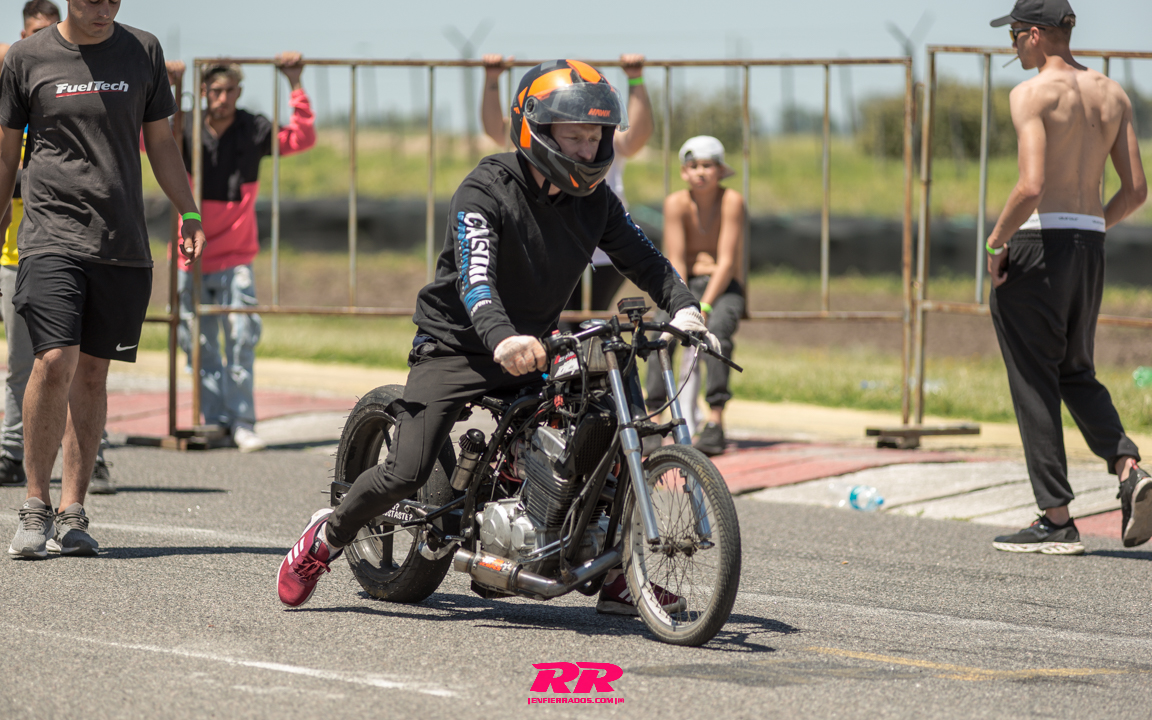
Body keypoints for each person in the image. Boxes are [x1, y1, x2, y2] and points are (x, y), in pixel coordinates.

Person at [278, 59, 715, 613]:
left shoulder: (597, 201)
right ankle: (327, 536)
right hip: (458, 345)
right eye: (574, 137)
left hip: (534, 347)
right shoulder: (484, 189)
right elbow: (476, 279)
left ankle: (613, 573)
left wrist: (685, 307)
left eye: (596, 137)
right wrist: (502, 338)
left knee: (607, 414)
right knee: (406, 470)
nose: (587, 150)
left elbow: (646, 261)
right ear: (535, 130)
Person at [0, 0, 206, 558]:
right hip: (50, 235)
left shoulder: (143, 50)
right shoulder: (26, 57)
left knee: (92, 374)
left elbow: (160, 142)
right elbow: (5, 153)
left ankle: (72, 512)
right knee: (53, 360)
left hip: (120, 243)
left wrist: (188, 211)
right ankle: (35, 505)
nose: (104, 9)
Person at [985, 0, 1150, 555]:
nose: (1012, 46)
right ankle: (1128, 467)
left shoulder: (1030, 94)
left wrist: (997, 242)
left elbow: (1030, 185)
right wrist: (1089, 226)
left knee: (1033, 376)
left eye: (1013, 35)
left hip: (1037, 246)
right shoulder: (1113, 94)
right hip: (1089, 244)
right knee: (1075, 369)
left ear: (1034, 34)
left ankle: (1055, 518)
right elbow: (1136, 190)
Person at [162, 55, 315, 453]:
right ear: (204, 91)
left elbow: (302, 138)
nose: (223, 98)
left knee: (242, 336)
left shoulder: (253, 127)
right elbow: (146, 139)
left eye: (230, 91)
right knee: (198, 342)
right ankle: (215, 419)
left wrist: (294, 82)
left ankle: (243, 420)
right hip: (191, 254)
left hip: (236, 256)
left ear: (239, 92)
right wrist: (169, 86)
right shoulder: (184, 125)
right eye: (216, 91)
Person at [0, 1, 116, 494]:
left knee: (81, 363)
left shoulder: (82, 84)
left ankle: (92, 456)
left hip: (79, 242)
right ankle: (13, 451)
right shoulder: (19, 76)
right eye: (32, 33)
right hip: (19, 250)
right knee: (29, 364)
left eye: (48, 31)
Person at [481, 53, 654, 328]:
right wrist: (492, 79)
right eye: (574, 137)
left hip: (600, 250)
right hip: (551, 245)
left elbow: (637, 136)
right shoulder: (544, 133)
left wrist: (636, 79)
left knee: (585, 325)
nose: (586, 148)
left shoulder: (600, 135)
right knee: (554, 324)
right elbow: (498, 130)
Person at [644, 136, 745, 457]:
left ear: (720, 170)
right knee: (660, 332)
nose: (700, 172)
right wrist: (684, 303)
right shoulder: (676, 203)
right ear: (684, 172)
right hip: (685, 286)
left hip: (722, 287)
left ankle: (715, 420)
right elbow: (676, 260)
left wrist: (704, 306)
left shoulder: (732, 201)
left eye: (708, 165)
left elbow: (726, 262)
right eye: (694, 166)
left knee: (717, 334)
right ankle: (654, 416)